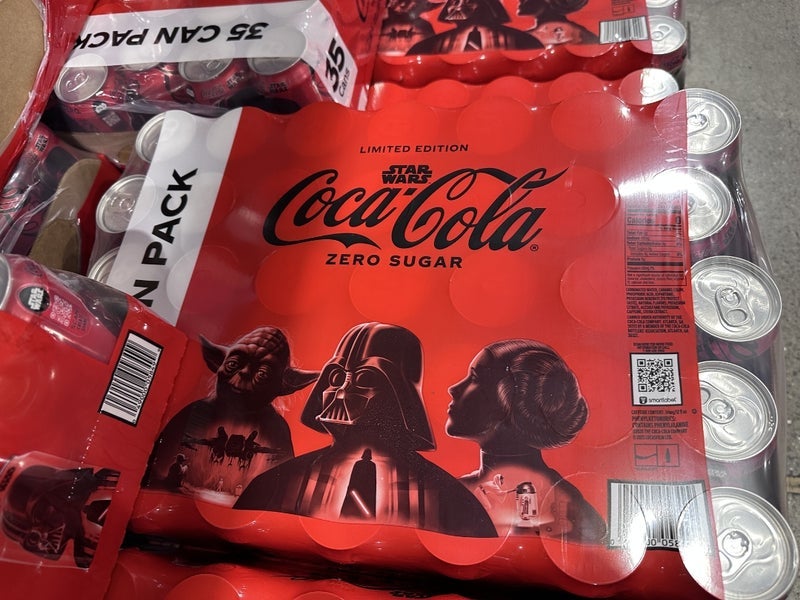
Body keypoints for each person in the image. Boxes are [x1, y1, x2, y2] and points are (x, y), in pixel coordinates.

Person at [446, 339, 606, 542]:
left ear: (509, 401)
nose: (453, 389)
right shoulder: (456, 492)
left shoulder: (566, 506)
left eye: (475, 378)